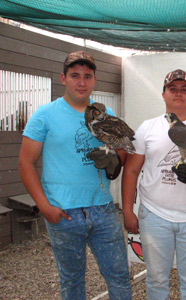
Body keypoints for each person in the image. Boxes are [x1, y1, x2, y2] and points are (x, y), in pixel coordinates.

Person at [18, 51, 132, 300]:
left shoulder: (105, 112)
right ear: (63, 78)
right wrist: (44, 206)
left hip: (103, 209)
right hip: (64, 213)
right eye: (75, 76)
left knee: (120, 275)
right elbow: (25, 163)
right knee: (72, 281)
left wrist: (115, 159)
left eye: (87, 76)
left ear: (94, 81)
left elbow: (123, 150)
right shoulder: (44, 115)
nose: (81, 82)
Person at [122, 69, 186, 300]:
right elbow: (132, 170)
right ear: (163, 94)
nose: (178, 94)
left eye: (184, 90)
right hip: (154, 216)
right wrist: (127, 210)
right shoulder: (148, 128)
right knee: (156, 279)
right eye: (172, 89)